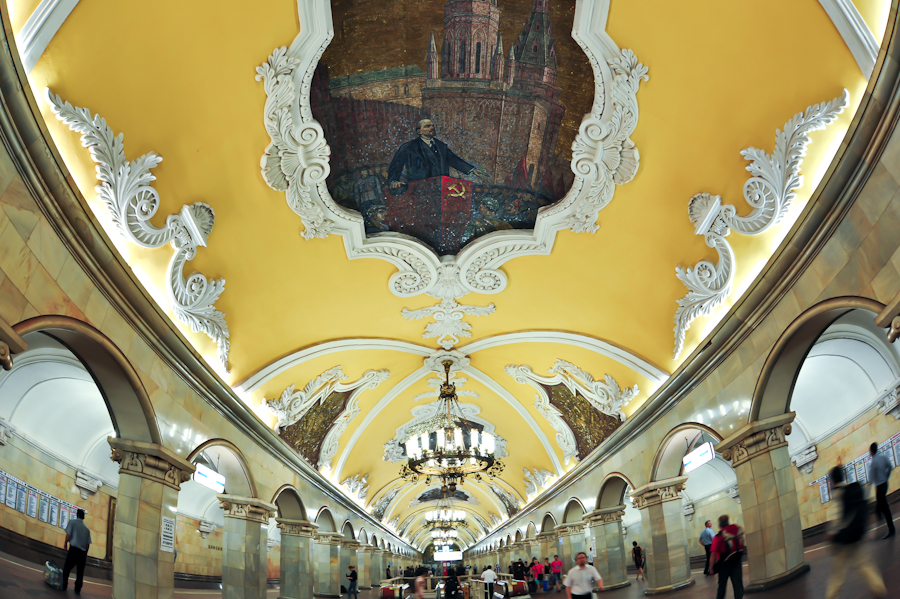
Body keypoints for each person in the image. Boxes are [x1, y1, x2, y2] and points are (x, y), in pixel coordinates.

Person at [825, 466, 887, 599]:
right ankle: (879, 590)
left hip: (843, 542)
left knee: (837, 575)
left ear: (832, 480)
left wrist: (831, 533)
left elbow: (837, 515)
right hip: (857, 537)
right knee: (866, 566)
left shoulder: (838, 493)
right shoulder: (851, 490)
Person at [387, 119, 484, 193]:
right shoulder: (409, 147)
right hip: (420, 187)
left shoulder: (441, 146)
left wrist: (471, 169)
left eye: (432, 126)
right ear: (419, 131)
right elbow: (396, 165)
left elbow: (453, 159)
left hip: (441, 187)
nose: (431, 128)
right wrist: (393, 181)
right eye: (427, 126)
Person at [708, 515, 744, 599]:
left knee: (722, 586)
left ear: (719, 525)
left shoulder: (718, 537)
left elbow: (713, 555)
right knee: (738, 584)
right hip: (737, 561)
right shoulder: (736, 530)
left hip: (724, 565)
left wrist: (711, 568)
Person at [868, 442, 895, 538]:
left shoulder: (874, 462)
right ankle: (878, 512)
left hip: (879, 487)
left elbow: (870, 480)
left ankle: (891, 529)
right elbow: (890, 467)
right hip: (884, 484)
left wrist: (867, 495)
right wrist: (886, 477)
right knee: (880, 503)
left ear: (871, 451)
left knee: (884, 507)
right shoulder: (883, 457)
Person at [62, 509, 91, 595]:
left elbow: (68, 535)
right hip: (82, 553)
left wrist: (65, 543)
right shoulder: (87, 529)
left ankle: (64, 584)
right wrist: (85, 554)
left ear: (77, 515)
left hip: (74, 550)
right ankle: (77, 588)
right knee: (80, 572)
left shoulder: (72, 522)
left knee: (67, 568)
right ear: (83, 517)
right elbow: (87, 544)